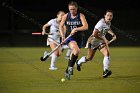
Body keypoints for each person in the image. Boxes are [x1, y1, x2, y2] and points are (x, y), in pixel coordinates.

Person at [76, 10, 117, 78]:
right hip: (93, 41)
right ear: (105, 16)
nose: (109, 17)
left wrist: (112, 34)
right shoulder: (100, 23)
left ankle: (105, 71)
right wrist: (104, 39)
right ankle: (78, 62)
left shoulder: (108, 22)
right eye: (108, 15)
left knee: (107, 53)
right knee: (89, 58)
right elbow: (95, 34)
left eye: (111, 16)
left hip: (101, 41)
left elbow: (108, 28)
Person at [59, 1, 88, 80]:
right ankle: (70, 68)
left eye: (74, 9)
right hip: (70, 38)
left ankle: (67, 70)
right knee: (75, 50)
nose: (72, 11)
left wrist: (76, 29)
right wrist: (63, 36)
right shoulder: (65, 16)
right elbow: (61, 26)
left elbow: (85, 27)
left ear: (77, 8)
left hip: (79, 38)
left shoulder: (81, 15)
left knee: (75, 53)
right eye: (70, 9)